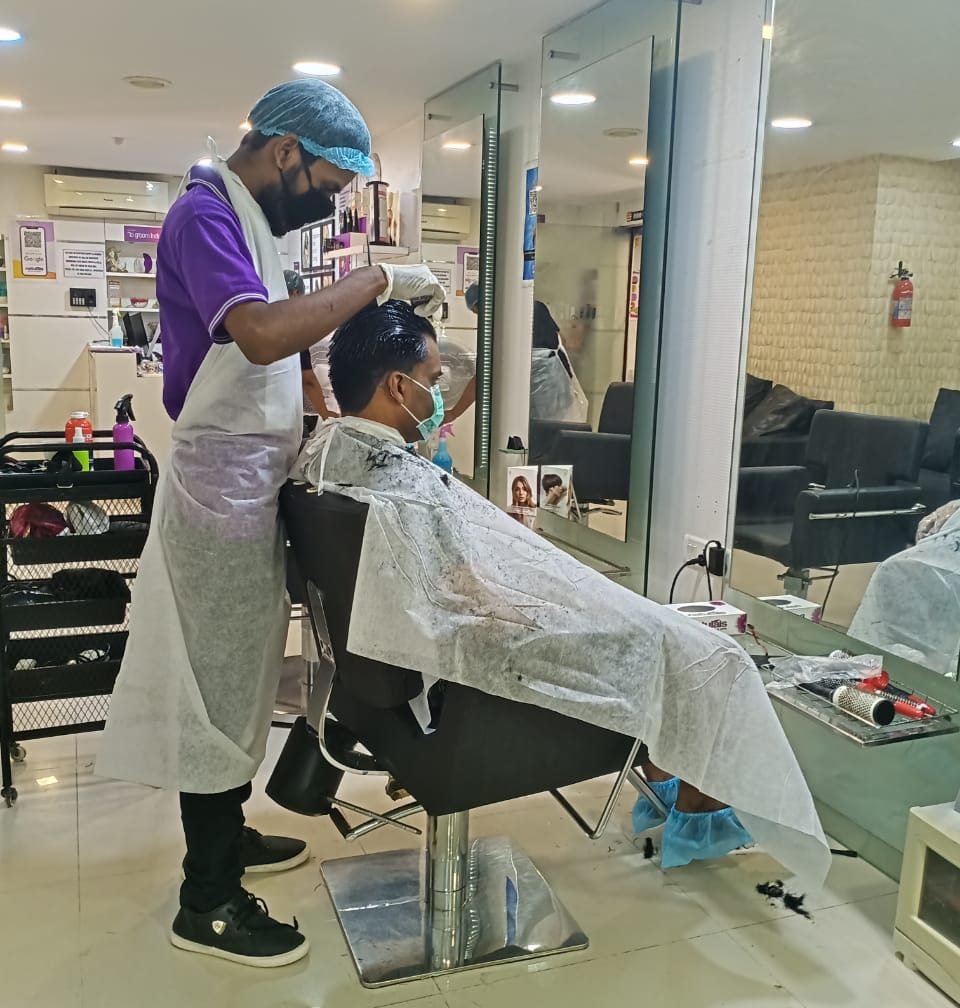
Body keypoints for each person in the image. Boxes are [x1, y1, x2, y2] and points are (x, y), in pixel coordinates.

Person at [294, 302, 829, 882]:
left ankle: (669, 774)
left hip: (377, 688)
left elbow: (441, 583)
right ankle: (697, 805)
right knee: (704, 655)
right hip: (456, 698)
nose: (439, 395)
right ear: (397, 387)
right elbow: (463, 592)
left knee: (653, 642)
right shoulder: (402, 483)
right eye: (433, 381)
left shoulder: (326, 460)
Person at [96, 80, 444, 968]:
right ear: (286, 152)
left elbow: (287, 367)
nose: (329, 202)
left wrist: (329, 421)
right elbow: (256, 337)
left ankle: (227, 835)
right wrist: (373, 279)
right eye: (329, 184)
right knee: (216, 693)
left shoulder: (252, 225)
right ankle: (207, 899)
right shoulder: (206, 213)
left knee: (246, 681)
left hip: (252, 485)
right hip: (219, 497)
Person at [285, 269, 339, 436]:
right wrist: (326, 415)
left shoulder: (262, 320)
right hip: (290, 415)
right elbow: (308, 379)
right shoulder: (293, 329)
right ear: (294, 294)